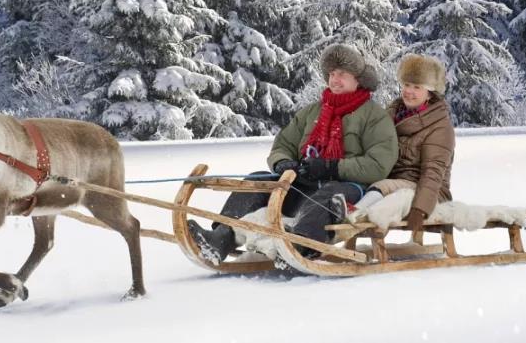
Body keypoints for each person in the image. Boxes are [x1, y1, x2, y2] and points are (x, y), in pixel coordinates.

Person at [187, 43, 397, 264]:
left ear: (358, 79)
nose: (335, 79)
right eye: (332, 74)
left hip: (348, 188)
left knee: (327, 194)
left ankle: (300, 246)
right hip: (304, 182)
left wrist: (331, 167)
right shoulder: (312, 112)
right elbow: (283, 145)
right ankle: (222, 237)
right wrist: (283, 164)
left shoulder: (375, 116)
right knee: (258, 180)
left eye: (342, 74)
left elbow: (379, 164)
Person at [351, 54, 455, 234]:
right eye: (407, 85)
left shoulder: (440, 127)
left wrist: (420, 209)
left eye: (417, 87)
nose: (409, 91)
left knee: (383, 187)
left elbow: (433, 173)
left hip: (429, 192)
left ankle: (351, 217)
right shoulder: (391, 114)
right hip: (392, 182)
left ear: (429, 93)